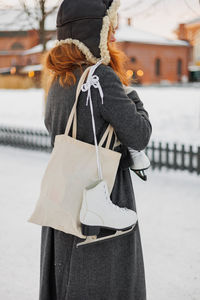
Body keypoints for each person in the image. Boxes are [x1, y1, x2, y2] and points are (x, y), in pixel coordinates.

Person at [40, 0, 152, 299]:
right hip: (102, 195)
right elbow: (139, 135)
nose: (113, 37)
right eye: (108, 29)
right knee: (103, 281)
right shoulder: (99, 78)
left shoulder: (58, 80)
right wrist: (132, 95)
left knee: (68, 278)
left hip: (66, 196)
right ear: (93, 33)